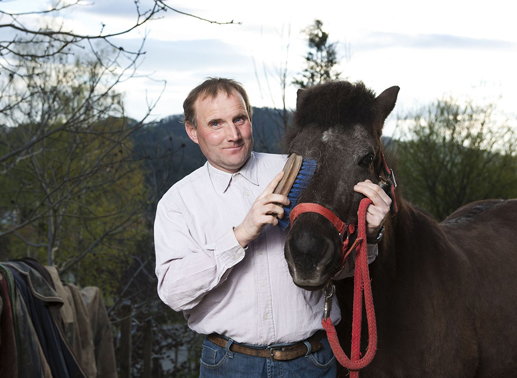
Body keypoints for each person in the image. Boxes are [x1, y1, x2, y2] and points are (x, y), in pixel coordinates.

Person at [154, 78, 392, 377]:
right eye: (216, 123)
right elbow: (174, 293)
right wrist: (241, 234)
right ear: (192, 130)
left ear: (249, 118)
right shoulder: (178, 202)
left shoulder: (299, 171)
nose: (233, 134)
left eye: (239, 119)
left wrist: (369, 236)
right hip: (229, 365)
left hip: (311, 362)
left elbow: (337, 269)